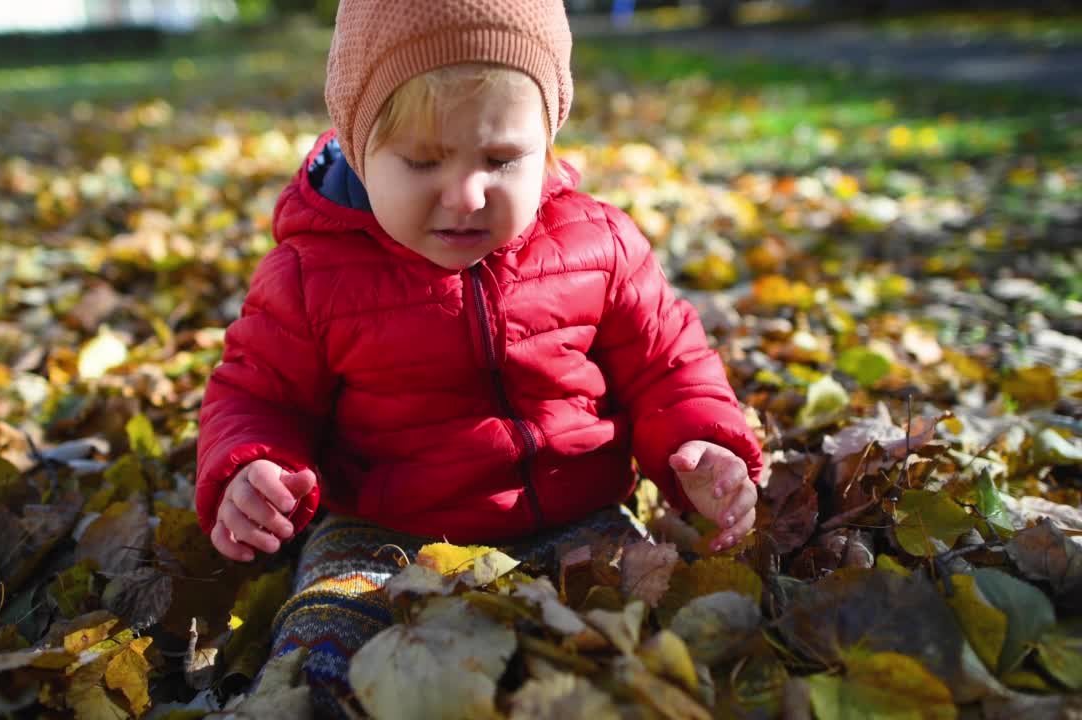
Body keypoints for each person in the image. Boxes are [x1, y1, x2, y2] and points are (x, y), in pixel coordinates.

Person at [195, 0, 765, 714]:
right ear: (357, 146)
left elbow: (669, 366)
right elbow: (257, 395)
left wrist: (700, 445)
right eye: (422, 160)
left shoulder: (598, 245)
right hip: (384, 535)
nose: (466, 195)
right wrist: (251, 467)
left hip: (576, 514)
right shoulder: (313, 276)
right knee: (321, 647)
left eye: (500, 159)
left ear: (549, 140)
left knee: (678, 631)